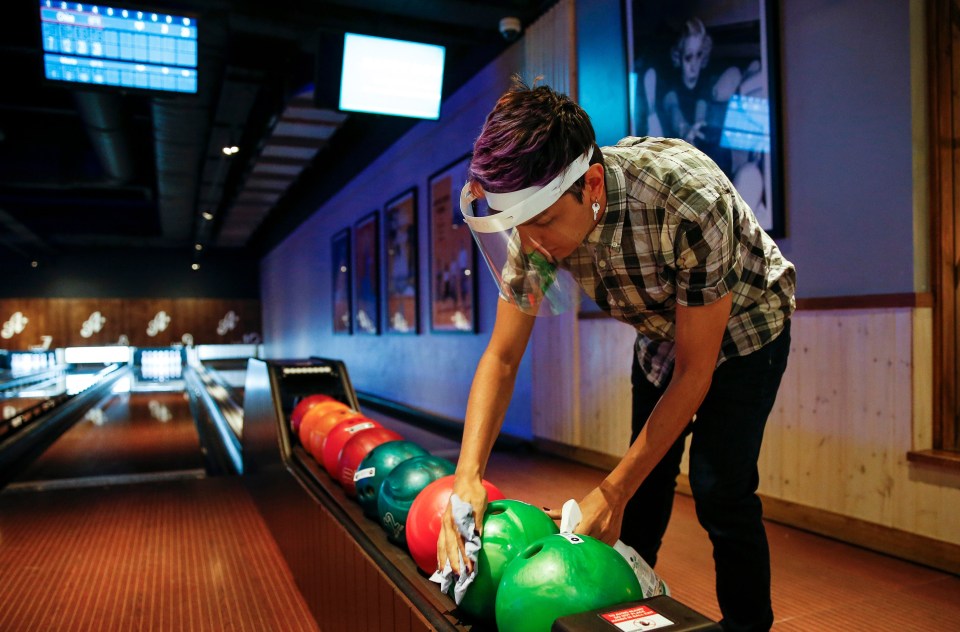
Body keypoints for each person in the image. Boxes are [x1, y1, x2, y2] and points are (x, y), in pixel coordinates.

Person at [437, 78, 795, 632]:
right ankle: (626, 610)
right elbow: (503, 357)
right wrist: (468, 478)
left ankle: (749, 625)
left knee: (719, 486)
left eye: (545, 225)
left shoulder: (687, 199)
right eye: (518, 230)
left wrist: (611, 488)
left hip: (749, 329)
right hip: (660, 333)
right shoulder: (537, 230)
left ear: (594, 184)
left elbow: (697, 370)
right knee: (640, 489)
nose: (530, 247)